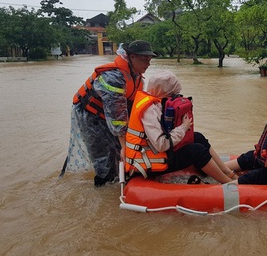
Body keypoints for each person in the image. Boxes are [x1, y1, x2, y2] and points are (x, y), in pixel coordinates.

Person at [62, 40, 157, 187]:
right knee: (104, 158)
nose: (148, 64)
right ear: (131, 57)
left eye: (149, 60)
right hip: (91, 115)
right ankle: (102, 188)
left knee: (119, 151)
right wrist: (125, 147)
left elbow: (133, 109)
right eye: (145, 60)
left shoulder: (137, 77)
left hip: (110, 116)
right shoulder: (113, 78)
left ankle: (120, 178)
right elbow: (117, 117)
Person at [125, 70, 237, 184]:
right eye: (172, 94)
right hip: (146, 163)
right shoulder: (150, 110)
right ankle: (228, 183)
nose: (174, 97)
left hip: (151, 151)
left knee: (197, 137)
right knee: (196, 151)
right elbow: (161, 144)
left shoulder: (155, 101)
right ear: (165, 91)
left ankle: (226, 171)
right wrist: (183, 127)